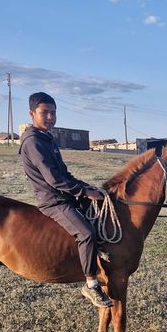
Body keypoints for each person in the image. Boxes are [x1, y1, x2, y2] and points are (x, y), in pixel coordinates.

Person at [19, 91, 113, 308]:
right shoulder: (33, 142)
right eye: (45, 113)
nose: (50, 117)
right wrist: (82, 192)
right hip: (53, 200)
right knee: (86, 233)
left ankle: (97, 252)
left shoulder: (46, 138)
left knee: (98, 210)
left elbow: (64, 174)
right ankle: (91, 285)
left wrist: (86, 188)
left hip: (64, 193)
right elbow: (53, 180)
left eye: (53, 113)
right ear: (32, 113)